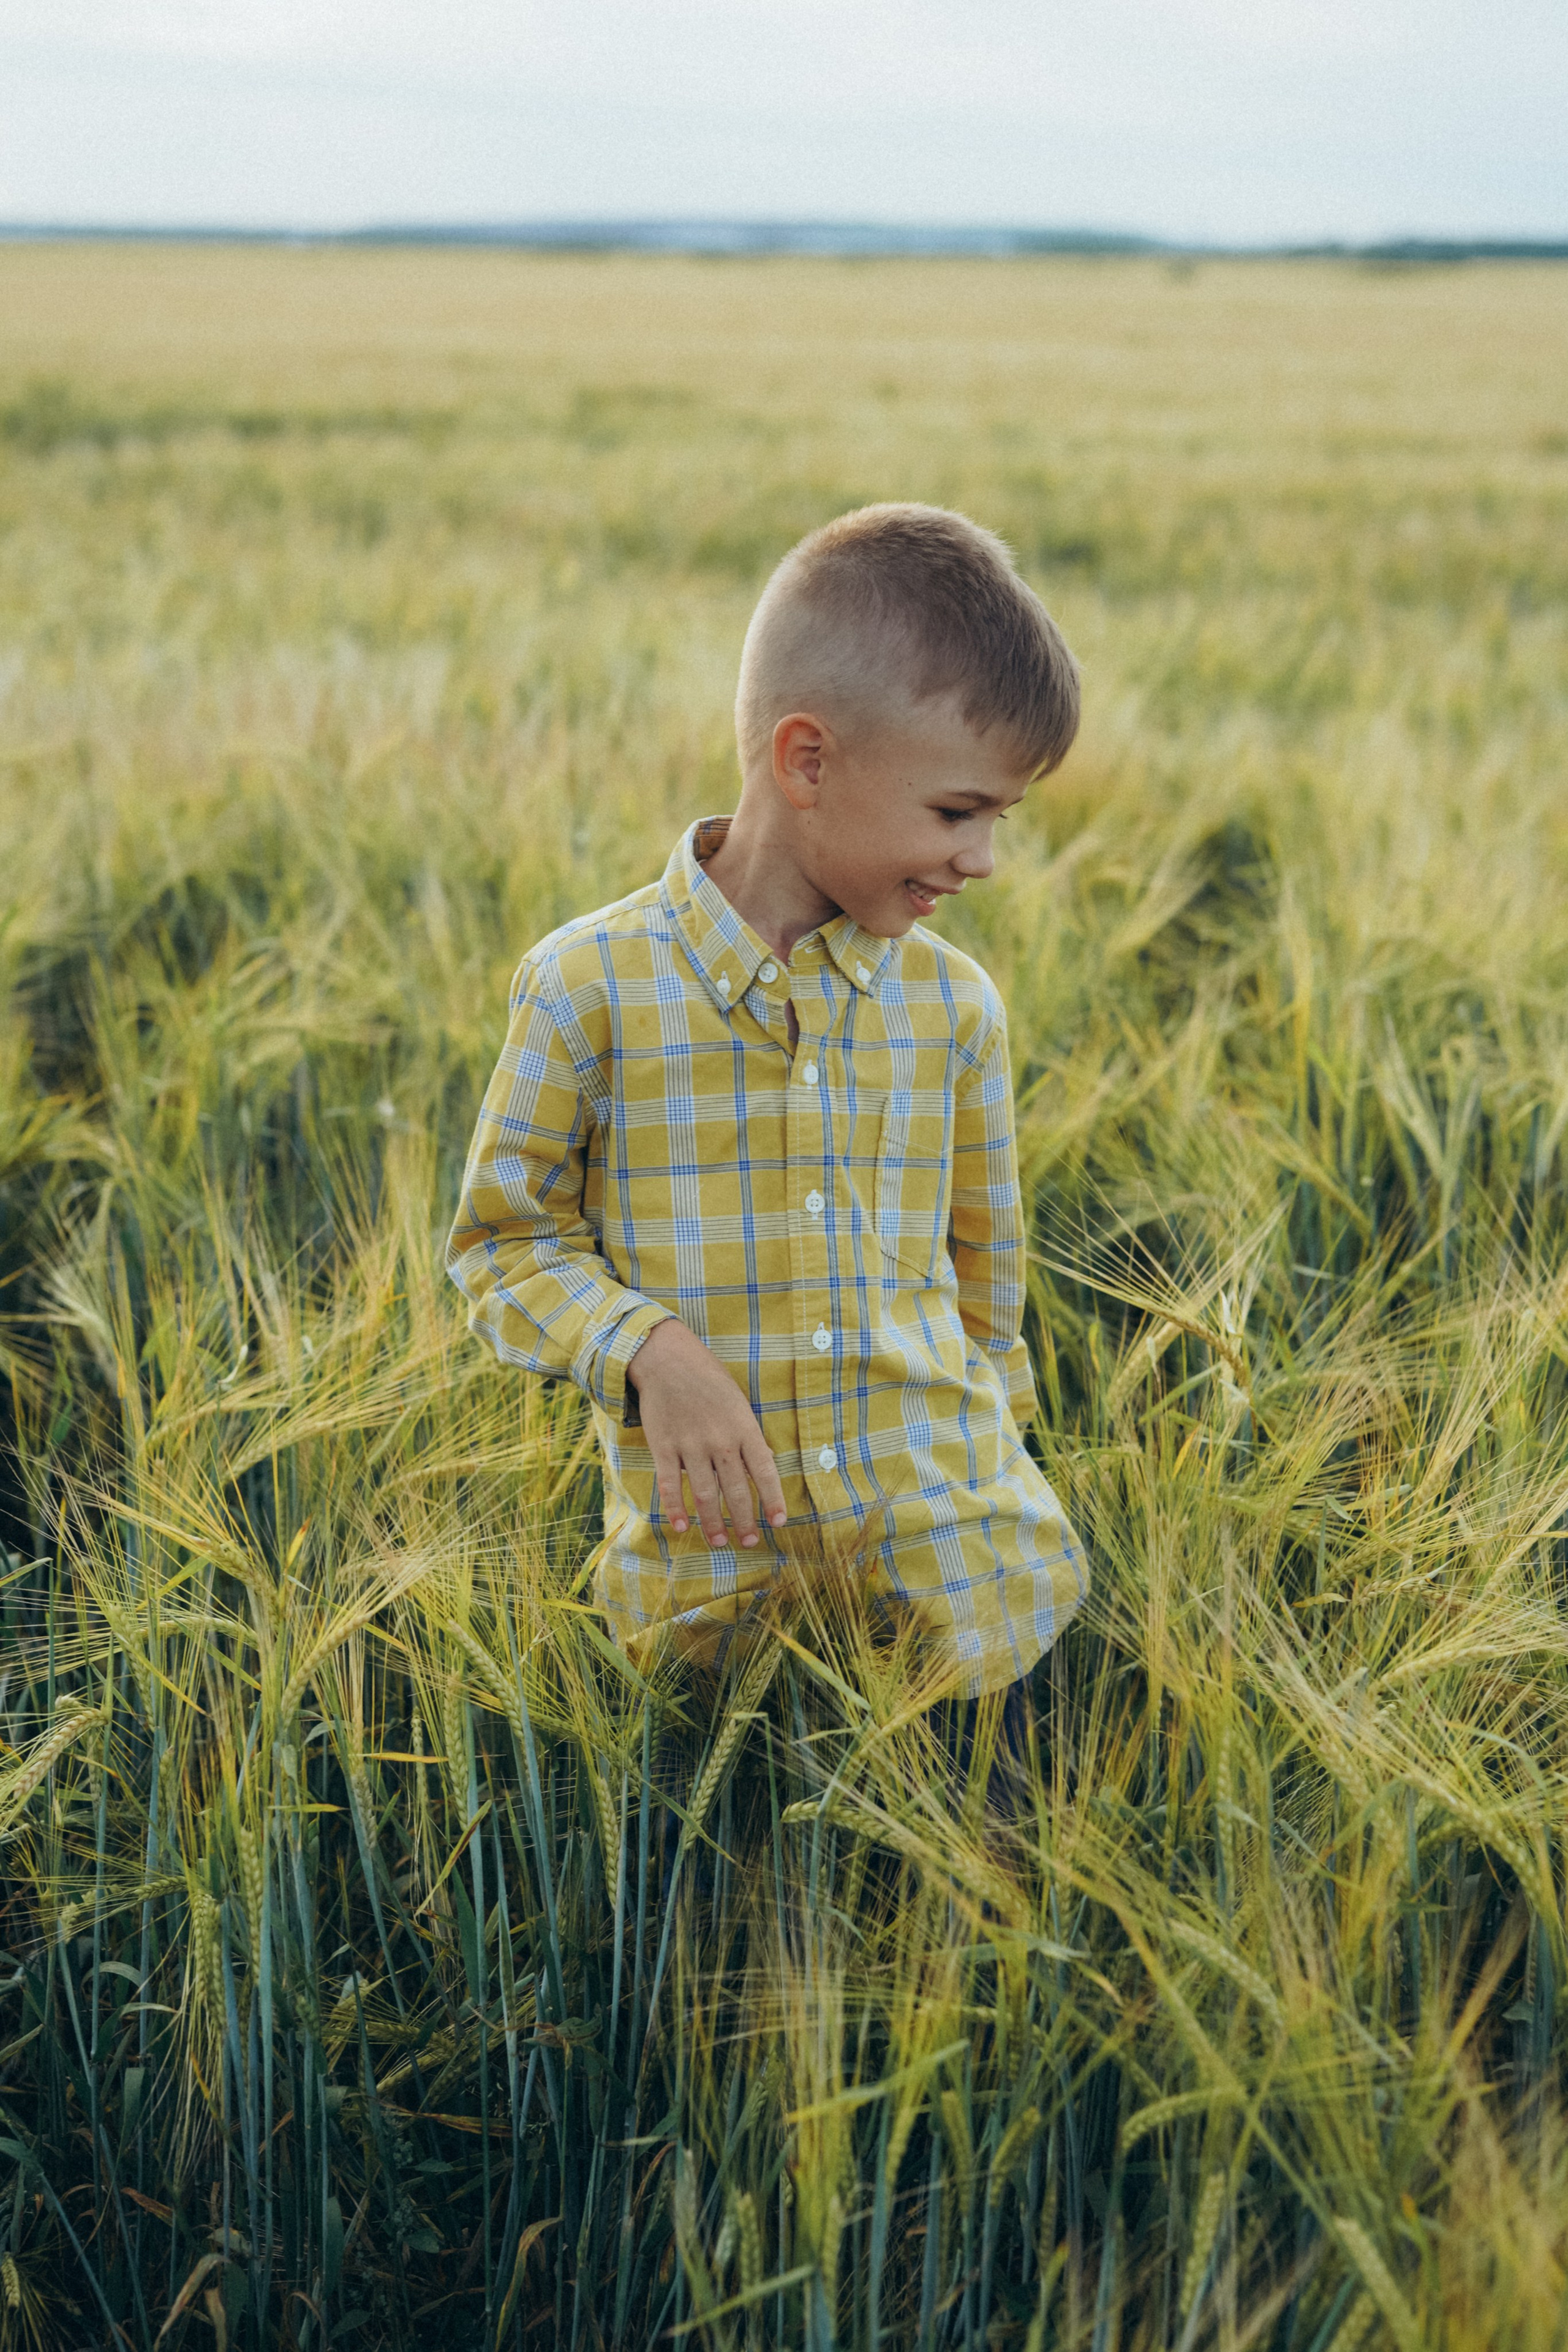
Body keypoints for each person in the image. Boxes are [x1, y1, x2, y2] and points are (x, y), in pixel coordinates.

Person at [447, 503, 1088, 1715]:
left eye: (1000, 822)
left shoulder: (955, 1009)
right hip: (710, 1607)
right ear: (805, 763)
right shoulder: (587, 991)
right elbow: (501, 1243)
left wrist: (993, 1439)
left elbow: (986, 1289)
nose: (983, 861)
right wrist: (649, 1350)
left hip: (962, 1594)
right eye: (957, 813)